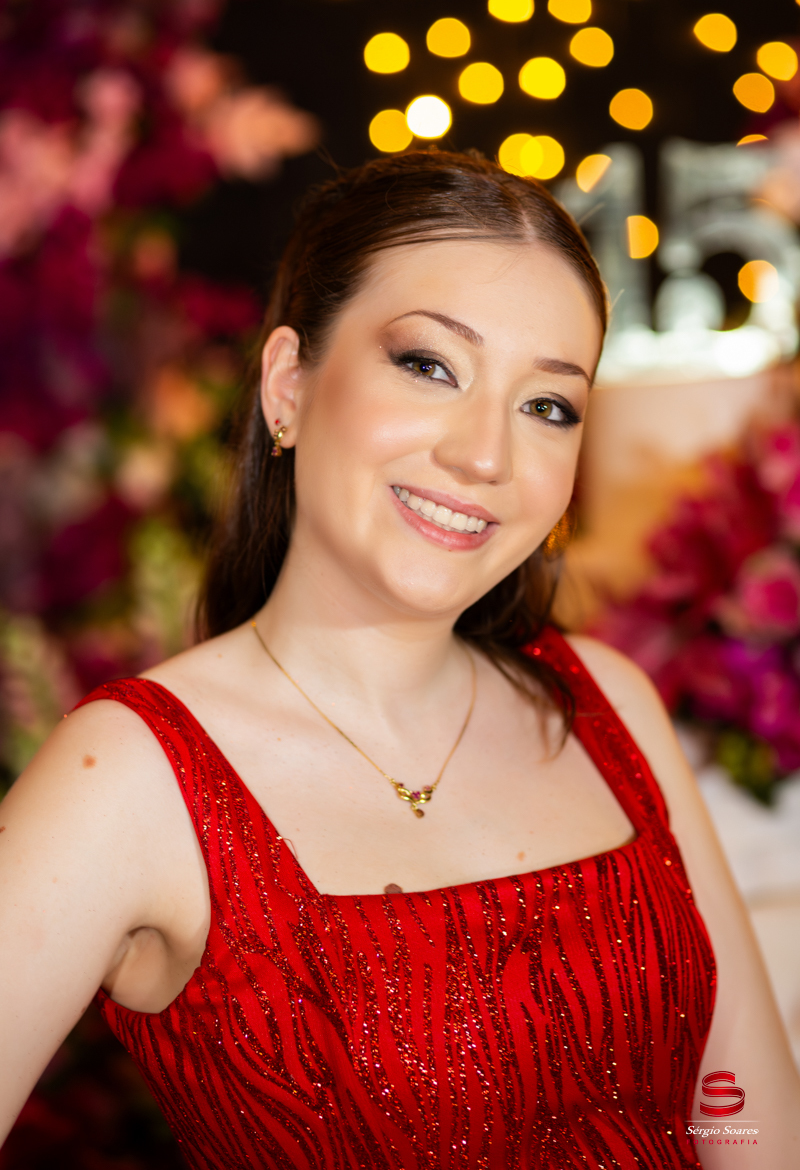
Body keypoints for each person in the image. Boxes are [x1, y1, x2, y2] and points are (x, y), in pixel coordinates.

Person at [0, 150, 797, 1170]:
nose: (485, 455)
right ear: (289, 386)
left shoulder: (608, 703)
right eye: (429, 366)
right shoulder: (131, 776)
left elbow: (751, 1129)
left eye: (547, 406)